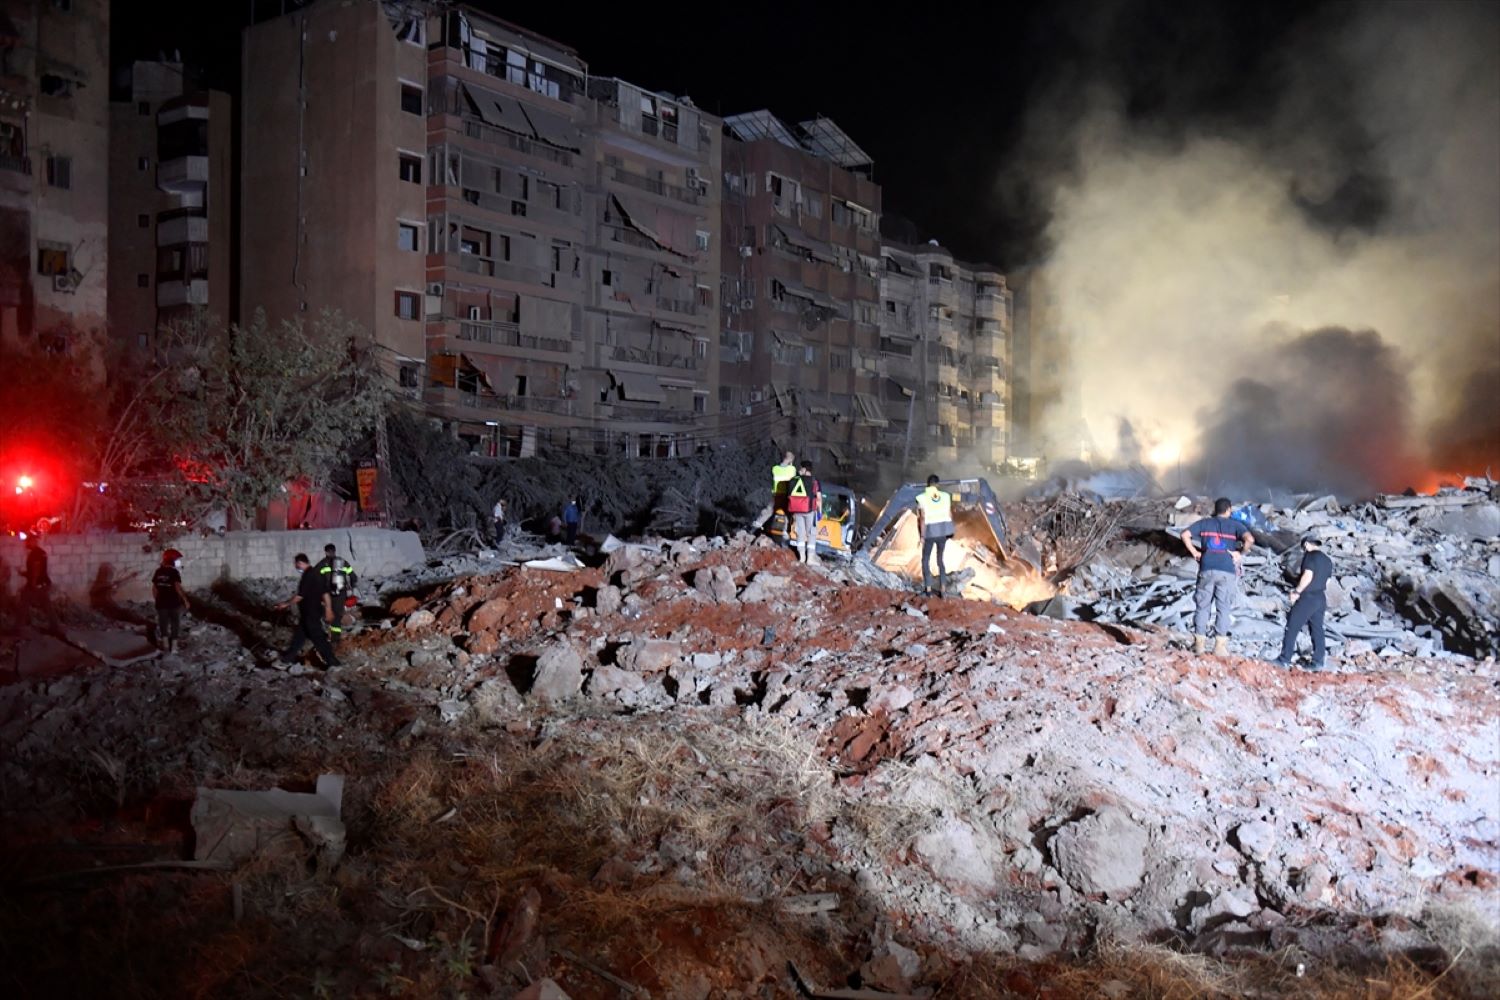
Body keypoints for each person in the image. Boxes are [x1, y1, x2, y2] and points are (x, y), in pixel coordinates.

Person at [1181, 497, 1255, 655]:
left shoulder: (1205, 523)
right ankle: (1219, 647)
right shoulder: (1236, 525)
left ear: (1216, 509)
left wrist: (1195, 552)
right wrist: (1240, 553)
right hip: (1226, 571)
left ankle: (1199, 645)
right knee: (1223, 608)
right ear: (1228, 509)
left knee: (1202, 606)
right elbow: (1250, 539)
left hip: (1207, 568)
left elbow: (1185, 534)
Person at [1272, 534, 1333, 670]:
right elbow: (1328, 582)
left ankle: (1284, 659)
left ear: (1306, 544)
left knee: (1292, 626)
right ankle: (1318, 662)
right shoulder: (1328, 560)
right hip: (1320, 598)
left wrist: (1297, 592)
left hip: (1308, 597)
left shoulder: (1310, 556)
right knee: (1317, 629)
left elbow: (1308, 575)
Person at [276, 553, 340, 667]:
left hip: (311, 613)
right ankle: (288, 658)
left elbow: (300, 596)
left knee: (318, 638)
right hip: (309, 613)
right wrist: (328, 609)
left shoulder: (309, 575)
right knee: (299, 637)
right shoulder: (316, 574)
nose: (296, 567)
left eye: (296, 565)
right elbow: (325, 593)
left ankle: (333, 662)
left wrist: (285, 604)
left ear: (300, 563)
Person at [914, 475, 955, 597]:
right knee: (940, 560)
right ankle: (943, 589)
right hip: (943, 532)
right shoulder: (946, 496)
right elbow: (949, 514)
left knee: (925, 559)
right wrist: (950, 529)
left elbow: (922, 518)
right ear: (938, 484)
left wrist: (922, 536)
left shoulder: (922, 497)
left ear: (928, 484)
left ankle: (928, 590)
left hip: (930, 532)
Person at [314, 543, 358, 646]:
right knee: (337, 616)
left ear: (325, 552)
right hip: (341, 593)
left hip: (327, 594)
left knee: (327, 614)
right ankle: (335, 638)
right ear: (334, 551)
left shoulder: (322, 564)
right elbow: (353, 576)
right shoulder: (342, 562)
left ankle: (328, 636)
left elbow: (314, 578)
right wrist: (351, 588)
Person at [151, 549, 189, 653]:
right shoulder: (174, 572)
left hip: (161, 603)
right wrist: (185, 600)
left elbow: (154, 589)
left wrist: (158, 599)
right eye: (176, 560)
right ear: (172, 561)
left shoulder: (158, 572)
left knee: (163, 623)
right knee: (175, 623)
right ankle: (174, 647)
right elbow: (177, 587)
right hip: (173, 603)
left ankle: (165, 646)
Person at [786, 463, 821, 564]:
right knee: (811, 534)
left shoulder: (796, 479)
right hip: (810, 511)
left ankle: (801, 558)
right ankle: (810, 559)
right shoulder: (814, 481)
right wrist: (819, 512)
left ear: (804, 469)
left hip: (797, 510)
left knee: (800, 533)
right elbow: (818, 499)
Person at [20, 534, 58, 628]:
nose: (26, 543)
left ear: (33, 541)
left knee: (24, 603)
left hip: (37, 584)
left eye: (28, 541)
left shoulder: (35, 553)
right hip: (42, 584)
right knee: (47, 606)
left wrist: (33, 584)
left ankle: (18, 628)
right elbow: (36, 570)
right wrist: (24, 574)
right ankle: (55, 627)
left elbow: (36, 570)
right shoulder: (41, 552)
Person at [755, 452, 798, 530]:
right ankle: (787, 530)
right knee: (788, 513)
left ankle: (758, 523)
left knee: (769, 510)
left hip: (776, 493)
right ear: (791, 460)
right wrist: (790, 464)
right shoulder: (792, 469)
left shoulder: (775, 468)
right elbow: (793, 478)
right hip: (785, 494)